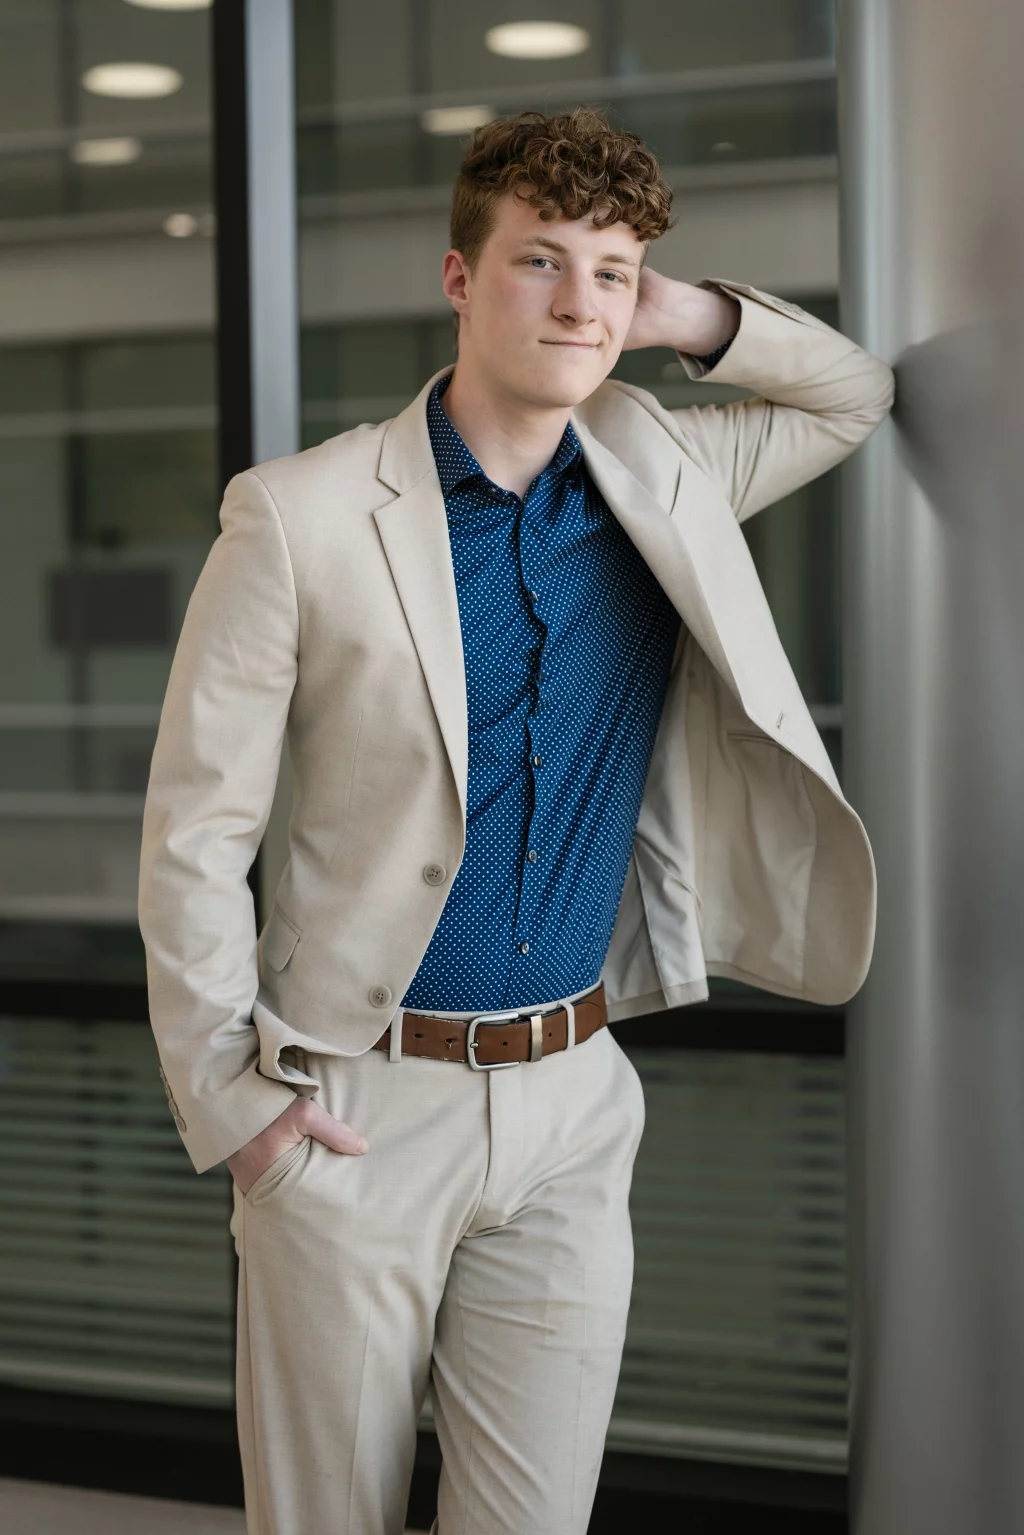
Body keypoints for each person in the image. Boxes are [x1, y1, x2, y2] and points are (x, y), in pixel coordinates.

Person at [139, 108, 893, 1535]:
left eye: (609, 271)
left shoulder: (667, 477)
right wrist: (242, 1114)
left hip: (572, 1098)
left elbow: (849, 394)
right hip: (355, 1106)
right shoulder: (299, 517)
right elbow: (193, 832)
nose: (577, 302)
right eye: (539, 261)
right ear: (457, 276)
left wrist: (677, 308)